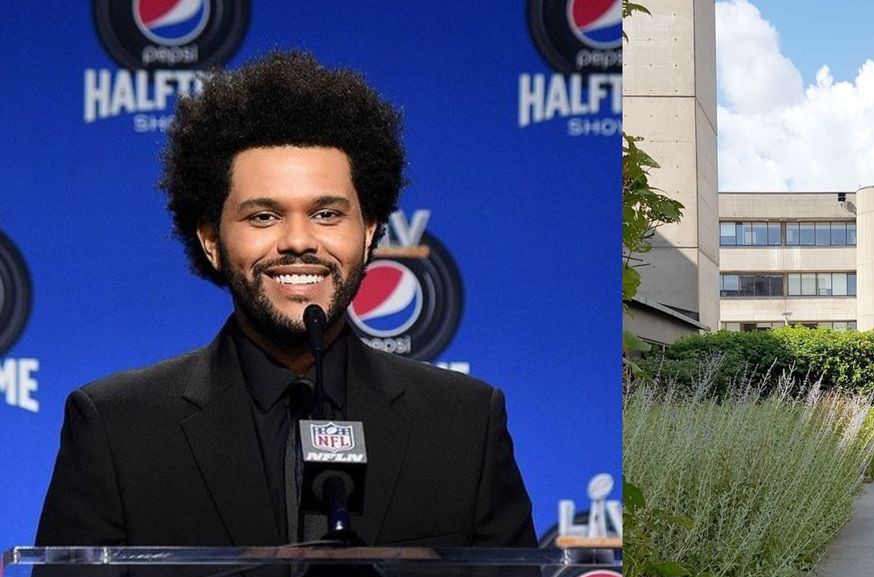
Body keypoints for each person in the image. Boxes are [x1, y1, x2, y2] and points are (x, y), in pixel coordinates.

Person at [34, 50, 537, 550]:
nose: (298, 241)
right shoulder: (116, 428)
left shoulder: (465, 424)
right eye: (263, 217)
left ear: (368, 232)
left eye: (326, 214)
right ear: (211, 240)